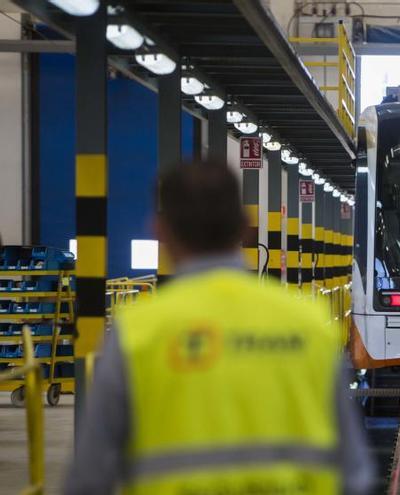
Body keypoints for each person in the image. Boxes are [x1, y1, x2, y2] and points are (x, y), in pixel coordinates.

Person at [65, 162, 374, 495]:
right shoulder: (308, 323)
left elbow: (89, 477)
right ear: (245, 228)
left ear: (160, 231)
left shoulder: (137, 333)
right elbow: (353, 472)